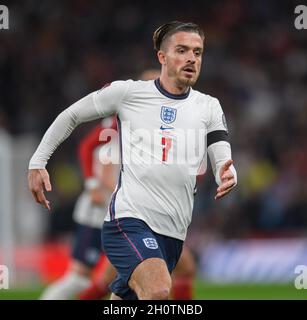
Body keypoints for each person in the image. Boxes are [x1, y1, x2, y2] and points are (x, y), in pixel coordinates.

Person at [28, 21, 237, 300]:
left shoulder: (208, 105)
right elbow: (71, 115)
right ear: (162, 57)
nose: (191, 58)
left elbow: (220, 147)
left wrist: (227, 170)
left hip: (173, 232)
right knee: (158, 291)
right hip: (128, 221)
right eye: (182, 50)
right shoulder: (128, 93)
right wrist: (38, 162)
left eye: (197, 52)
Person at [40, 117, 118, 299]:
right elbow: (107, 176)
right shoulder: (115, 137)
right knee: (79, 278)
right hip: (97, 216)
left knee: (120, 277)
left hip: (110, 216)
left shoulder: (118, 134)